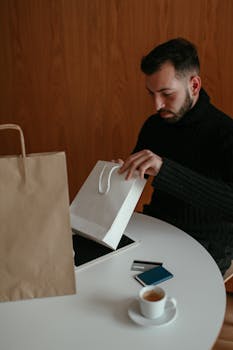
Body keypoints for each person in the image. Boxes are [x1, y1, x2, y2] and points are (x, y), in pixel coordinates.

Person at [118, 37, 233, 275]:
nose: (157, 105)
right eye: (151, 94)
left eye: (166, 94)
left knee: (154, 288)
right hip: (158, 229)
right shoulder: (154, 125)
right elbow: (136, 179)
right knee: (112, 271)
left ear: (194, 85)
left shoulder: (226, 132)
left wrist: (165, 170)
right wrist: (120, 175)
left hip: (207, 243)